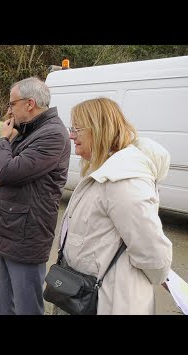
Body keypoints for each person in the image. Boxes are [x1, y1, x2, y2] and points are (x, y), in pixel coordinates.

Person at [52, 97, 172, 315]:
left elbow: (153, 254)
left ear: (99, 128)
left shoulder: (124, 181)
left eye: (77, 128)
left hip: (110, 301)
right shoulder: (105, 171)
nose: (71, 135)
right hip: (85, 294)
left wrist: (160, 275)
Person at [0, 77, 71, 315]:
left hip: (26, 236)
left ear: (30, 103)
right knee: (5, 305)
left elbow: (6, 170)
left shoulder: (52, 134)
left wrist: (2, 141)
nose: (9, 110)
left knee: (26, 308)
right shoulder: (23, 132)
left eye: (12, 104)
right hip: (5, 229)